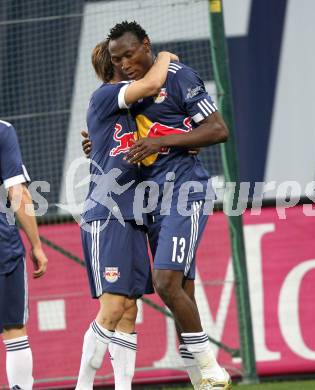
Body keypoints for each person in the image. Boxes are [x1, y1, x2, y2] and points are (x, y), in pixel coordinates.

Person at [106, 21, 231, 390]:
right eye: (117, 59)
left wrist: (166, 143)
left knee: (165, 282)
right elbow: (128, 138)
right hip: (150, 199)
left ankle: (212, 368)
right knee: (181, 292)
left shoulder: (177, 76)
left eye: (129, 54)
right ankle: (201, 380)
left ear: (146, 45)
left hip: (186, 191)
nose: (125, 63)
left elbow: (218, 129)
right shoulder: (126, 92)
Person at [76, 40, 178, 390]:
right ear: (116, 65)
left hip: (133, 214)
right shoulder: (108, 94)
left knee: (130, 310)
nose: (133, 62)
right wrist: (164, 56)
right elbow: (151, 84)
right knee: (114, 307)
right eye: (125, 58)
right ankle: (83, 385)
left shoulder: (130, 107)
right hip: (108, 214)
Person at [0, 119, 48, 390]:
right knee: (14, 329)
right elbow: (17, 192)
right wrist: (37, 245)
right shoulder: (2, 131)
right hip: (2, 248)